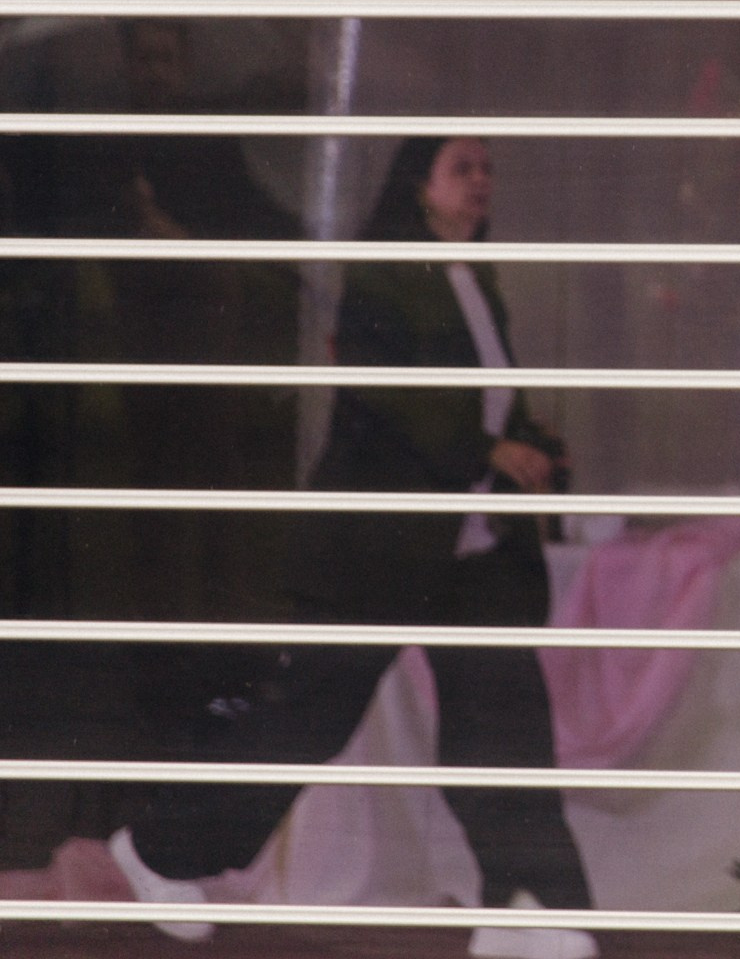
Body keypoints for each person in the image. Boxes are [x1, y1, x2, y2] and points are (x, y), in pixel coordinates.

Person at [108, 137, 597, 959]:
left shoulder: (476, 275)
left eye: (487, 169)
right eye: (462, 169)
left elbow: (483, 399)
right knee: (310, 719)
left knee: (503, 724)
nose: (482, 184)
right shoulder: (383, 272)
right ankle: (157, 851)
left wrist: (525, 438)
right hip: (381, 546)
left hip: (464, 549)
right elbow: (393, 394)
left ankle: (527, 904)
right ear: (419, 188)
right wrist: (487, 451)